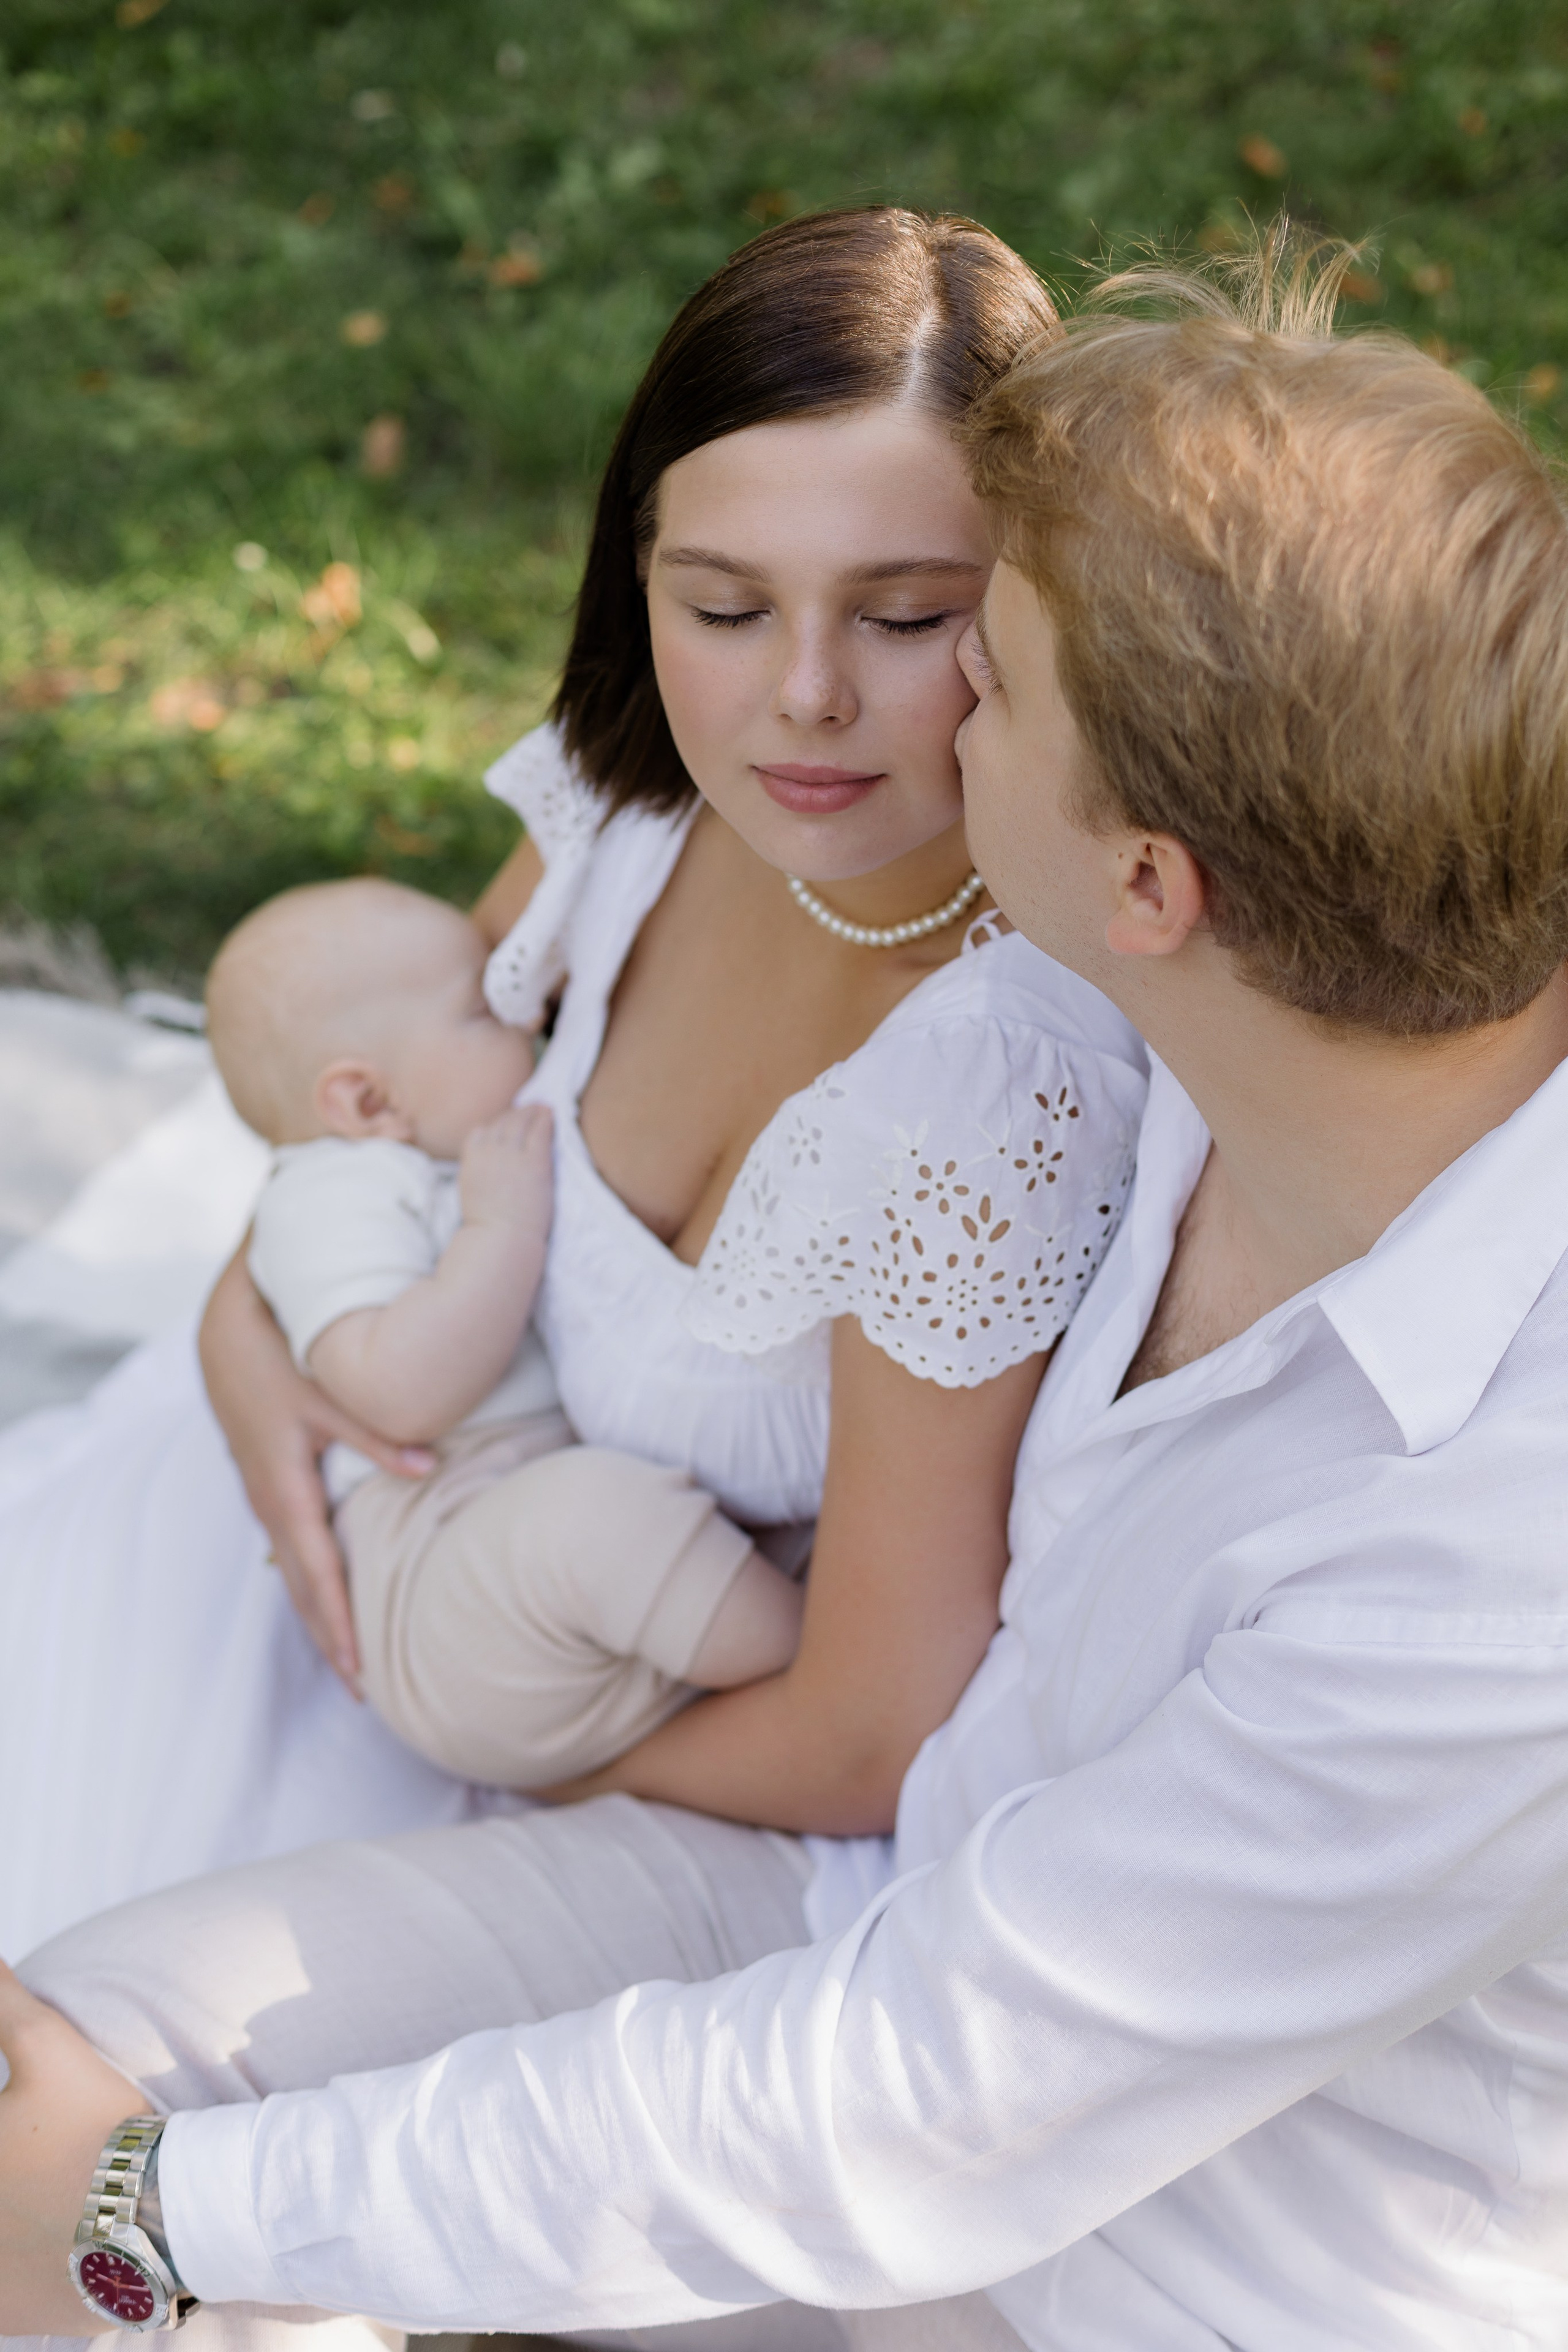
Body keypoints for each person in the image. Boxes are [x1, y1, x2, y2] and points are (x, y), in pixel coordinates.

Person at [9, 232, 1568, 2352]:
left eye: (971, 664)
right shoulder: (1255, 1016)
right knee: (72, 2048)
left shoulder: (1489, 1560)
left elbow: (908, 2102)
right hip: (863, 1898)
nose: (858, 710)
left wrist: (161, 2218)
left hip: (1136, 2273)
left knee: (138, 2217)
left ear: (1143, 888)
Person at [0, 205, 1144, 1963]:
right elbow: (351, 1133)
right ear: (642, 578)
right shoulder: (632, 811)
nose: (804, 700)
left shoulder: (999, 1094)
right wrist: (250, 1355)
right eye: (725, 604)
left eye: (909, 617)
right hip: (329, 1524)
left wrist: (487, 1765)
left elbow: (867, 1720)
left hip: (627, 1747)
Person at [207, 878, 804, 1791]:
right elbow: (397, 1392)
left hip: (528, 1584)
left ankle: (761, 1634)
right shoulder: (330, 1195)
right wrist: (501, 1233)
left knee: (624, 1523)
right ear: (369, 1103)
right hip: (442, 1589)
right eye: (484, 1011)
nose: (526, 1020)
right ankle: (808, 1653)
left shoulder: (425, 1156)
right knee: (595, 1520)